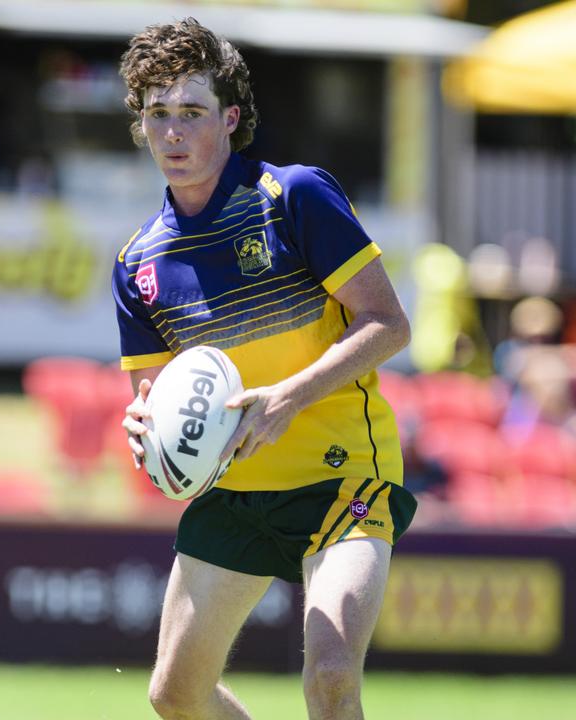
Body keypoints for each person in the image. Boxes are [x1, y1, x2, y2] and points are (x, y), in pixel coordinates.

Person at [114, 20, 416, 720]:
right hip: (234, 489)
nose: (173, 132)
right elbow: (154, 399)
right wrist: (144, 430)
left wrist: (286, 398)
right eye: (157, 114)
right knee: (175, 696)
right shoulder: (137, 262)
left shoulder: (294, 198)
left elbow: (389, 325)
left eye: (191, 112)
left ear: (231, 118)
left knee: (331, 676)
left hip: (343, 476)